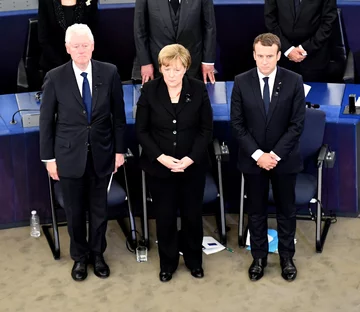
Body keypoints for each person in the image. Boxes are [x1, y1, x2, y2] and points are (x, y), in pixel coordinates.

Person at [39, 24, 127, 282]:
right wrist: (49, 159)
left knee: (99, 210)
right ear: (67, 49)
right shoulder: (55, 77)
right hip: (68, 157)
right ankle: (79, 257)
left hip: (102, 153)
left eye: (85, 45)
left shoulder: (109, 72)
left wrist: (119, 151)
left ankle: (98, 254)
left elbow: (119, 118)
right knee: (75, 212)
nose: (81, 50)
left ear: (92, 46)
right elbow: (46, 122)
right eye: (75, 46)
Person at [230, 33, 305, 282]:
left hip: (283, 160)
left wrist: (273, 155)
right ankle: (259, 257)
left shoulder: (294, 81)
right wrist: (258, 155)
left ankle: (286, 257)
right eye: (260, 56)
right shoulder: (241, 82)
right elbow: (238, 124)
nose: (264, 62)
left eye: (269, 57)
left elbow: (296, 125)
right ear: (254, 55)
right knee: (257, 211)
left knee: (286, 211)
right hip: (253, 161)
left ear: (278, 55)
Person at [135, 44, 213, 282]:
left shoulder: (198, 90)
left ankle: (193, 261)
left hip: (192, 167)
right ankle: (167, 264)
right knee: (165, 217)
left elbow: (205, 130)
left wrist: (190, 159)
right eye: (167, 69)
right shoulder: (149, 91)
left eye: (177, 70)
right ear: (160, 68)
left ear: (186, 69)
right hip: (161, 168)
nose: (171, 75)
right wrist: (161, 158)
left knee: (192, 216)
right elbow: (142, 131)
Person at [133, 0, 216, 85]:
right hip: (157, 66)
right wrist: (145, 62)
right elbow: (140, 30)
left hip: (194, 67)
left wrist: (207, 61)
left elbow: (209, 27)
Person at [264, 0, 337, 82]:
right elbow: (270, 21)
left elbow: (328, 23)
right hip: (283, 59)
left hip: (314, 58)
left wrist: (305, 48)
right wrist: (288, 49)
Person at [38, 0, 98, 73]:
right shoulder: (46, 2)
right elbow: (43, 39)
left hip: (83, 62)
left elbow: (93, 35)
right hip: (54, 65)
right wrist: (64, 66)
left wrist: (81, 60)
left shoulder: (89, 1)